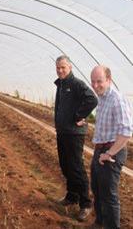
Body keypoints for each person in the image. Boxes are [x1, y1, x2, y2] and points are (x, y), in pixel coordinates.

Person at [54, 55, 98, 221]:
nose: (60, 70)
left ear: (70, 67)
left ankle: (85, 204)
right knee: (66, 166)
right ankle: (72, 196)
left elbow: (92, 99)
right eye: (58, 67)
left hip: (74, 134)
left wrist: (79, 115)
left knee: (76, 168)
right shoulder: (61, 84)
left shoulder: (76, 83)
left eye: (63, 67)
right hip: (63, 132)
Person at [90, 65, 133, 229]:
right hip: (100, 149)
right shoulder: (102, 98)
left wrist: (109, 154)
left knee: (109, 195)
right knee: (97, 188)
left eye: (99, 81)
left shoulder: (117, 99)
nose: (95, 85)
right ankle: (100, 222)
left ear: (109, 80)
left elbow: (126, 132)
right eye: (93, 81)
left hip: (112, 151)